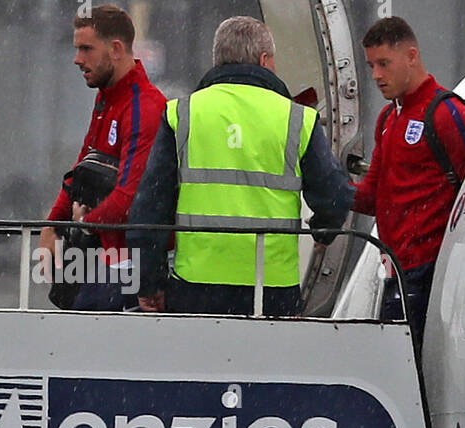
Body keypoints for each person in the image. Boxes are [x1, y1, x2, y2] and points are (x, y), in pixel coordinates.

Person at [126, 16, 352, 316]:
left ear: (218, 59)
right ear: (264, 59)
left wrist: (149, 283)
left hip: (197, 286)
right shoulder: (297, 119)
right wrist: (322, 232)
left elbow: (150, 207)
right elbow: (335, 196)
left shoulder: (183, 114)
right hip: (272, 288)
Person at [353, 17, 465, 347]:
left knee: (406, 375)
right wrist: (326, 189)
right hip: (396, 271)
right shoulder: (388, 118)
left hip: (429, 275)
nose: (376, 75)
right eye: (371, 66)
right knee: (393, 374)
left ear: (412, 56)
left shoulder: (446, 114)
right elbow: (371, 196)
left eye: (384, 63)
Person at [38, 4, 166, 310]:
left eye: (86, 49)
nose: (77, 59)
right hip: (103, 255)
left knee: (82, 331)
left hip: (130, 262)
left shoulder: (144, 108)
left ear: (116, 49)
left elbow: (129, 197)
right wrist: (50, 224)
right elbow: (81, 169)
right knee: (68, 315)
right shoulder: (107, 97)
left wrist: (82, 225)